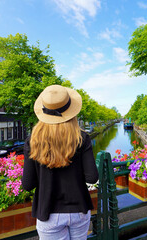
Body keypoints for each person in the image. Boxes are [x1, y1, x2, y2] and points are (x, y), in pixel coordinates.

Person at [22, 85, 99, 240]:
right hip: (79, 209)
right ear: (71, 112)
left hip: (48, 212)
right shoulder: (82, 139)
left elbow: (28, 184)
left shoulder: (32, 141)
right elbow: (92, 178)